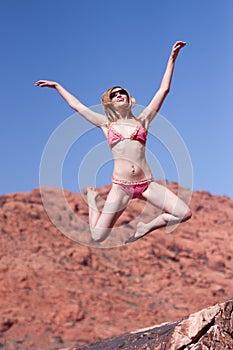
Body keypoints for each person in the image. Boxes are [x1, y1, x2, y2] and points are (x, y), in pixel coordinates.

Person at [35, 41, 192, 244]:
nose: (119, 95)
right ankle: (93, 203)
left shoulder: (142, 120)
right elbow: (77, 106)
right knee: (97, 236)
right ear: (110, 102)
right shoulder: (105, 124)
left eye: (122, 92)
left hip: (146, 184)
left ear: (129, 99)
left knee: (184, 213)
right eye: (114, 94)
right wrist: (57, 86)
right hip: (121, 187)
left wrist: (172, 59)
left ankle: (148, 226)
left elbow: (163, 90)